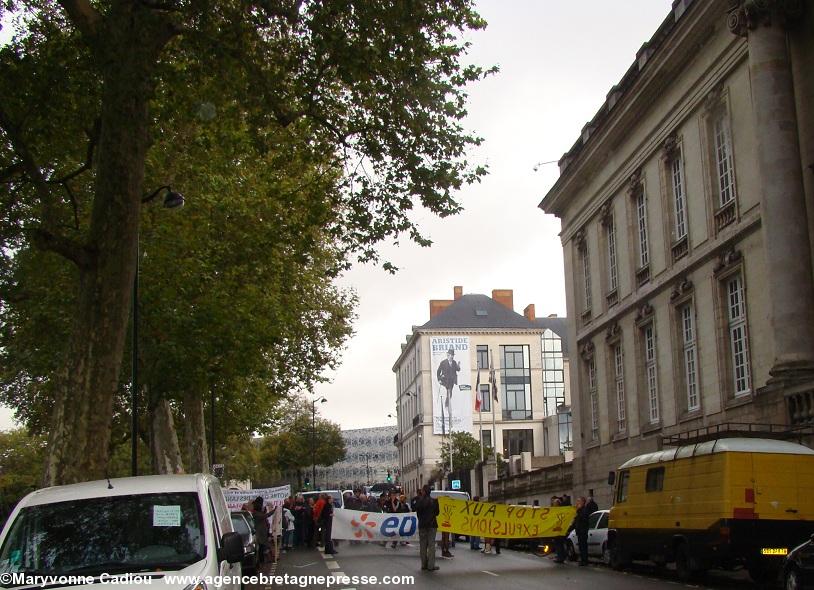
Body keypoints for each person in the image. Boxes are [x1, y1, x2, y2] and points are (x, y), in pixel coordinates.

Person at [415, 485, 440, 571]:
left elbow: (417, 512)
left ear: (423, 492)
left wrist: (422, 519)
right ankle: (431, 565)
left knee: (423, 545)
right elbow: (437, 513)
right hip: (432, 525)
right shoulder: (434, 501)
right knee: (431, 545)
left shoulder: (419, 501)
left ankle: (423, 564)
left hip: (422, 525)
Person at [568, 496, 591, 566]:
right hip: (580, 531)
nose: (577, 503)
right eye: (577, 501)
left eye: (578, 501)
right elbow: (576, 522)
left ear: (582, 502)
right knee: (581, 546)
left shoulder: (584, 510)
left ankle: (585, 560)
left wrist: (578, 511)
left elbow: (583, 519)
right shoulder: (579, 511)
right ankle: (583, 560)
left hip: (583, 531)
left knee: (583, 546)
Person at [250, 497, 269, 564]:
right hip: (259, 531)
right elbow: (264, 516)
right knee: (261, 546)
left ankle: (262, 559)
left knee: (261, 546)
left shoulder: (257, 511)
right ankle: (262, 560)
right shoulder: (256, 513)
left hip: (261, 531)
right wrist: (273, 511)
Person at [551, 497, 566, 564]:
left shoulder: (559, 511)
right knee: (558, 544)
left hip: (559, 530)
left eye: (554, 503)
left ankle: (560, 557)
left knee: (559, 544)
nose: (553, 505)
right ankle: (560, 556)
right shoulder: (555, 511)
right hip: (556, 531)